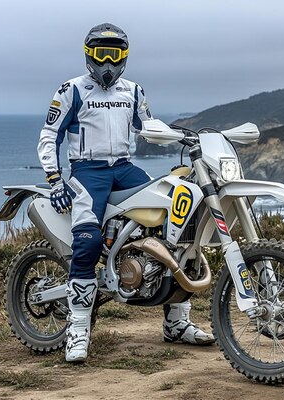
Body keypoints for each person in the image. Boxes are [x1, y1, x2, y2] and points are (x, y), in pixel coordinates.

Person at [37, 23, 214, 362]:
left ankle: (177, 324)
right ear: (89, 55)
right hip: (88, 172)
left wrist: (184, 138)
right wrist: (55, 181)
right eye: (101, 54)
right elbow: (49, 136)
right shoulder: (70, 90)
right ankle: (77, 328)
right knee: (86, 241)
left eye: (114, 55)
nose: (107, 63)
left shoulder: (133, 91)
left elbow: (148, 127)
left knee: (174, 229)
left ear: (124, 57)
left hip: (125, 168)